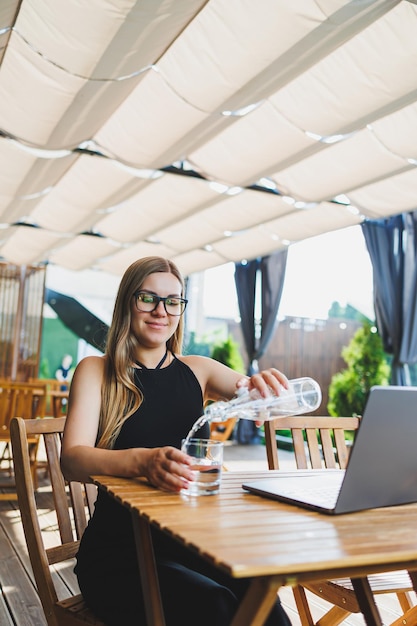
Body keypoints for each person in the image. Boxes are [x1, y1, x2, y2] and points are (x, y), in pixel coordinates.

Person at [60, 256, 292, 626]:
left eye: (173, 301)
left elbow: (263, 400)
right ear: (127, 302)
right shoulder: (96, 370)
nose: (161, 311)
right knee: (213, 606)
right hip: (120, 555)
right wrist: (142, 462)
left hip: (193, 543)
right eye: (147, 298)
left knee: (266, 606)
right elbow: (71, 460)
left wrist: (268, 390)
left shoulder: (199, 370)